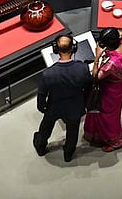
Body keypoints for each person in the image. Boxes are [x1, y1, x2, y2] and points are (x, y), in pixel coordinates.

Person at [83, 28, 122, 152]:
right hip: (118, 85)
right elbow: (120, 35)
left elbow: (96, 76)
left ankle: (116, 142)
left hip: (109, 91)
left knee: (107, 116)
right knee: (111, 113)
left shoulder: (112, 63)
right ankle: (98, 134)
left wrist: (97, 58)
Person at [33, 34, 92, 162]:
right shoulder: (83, 68)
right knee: (73, 131)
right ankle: (68, 154)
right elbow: (88, 87)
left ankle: (41, 146)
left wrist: (42, 107)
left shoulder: (48, 73)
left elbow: (42, 94)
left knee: (46, 127)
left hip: (54, 107)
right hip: (75, 106)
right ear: (73, 48)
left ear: (56, 49)